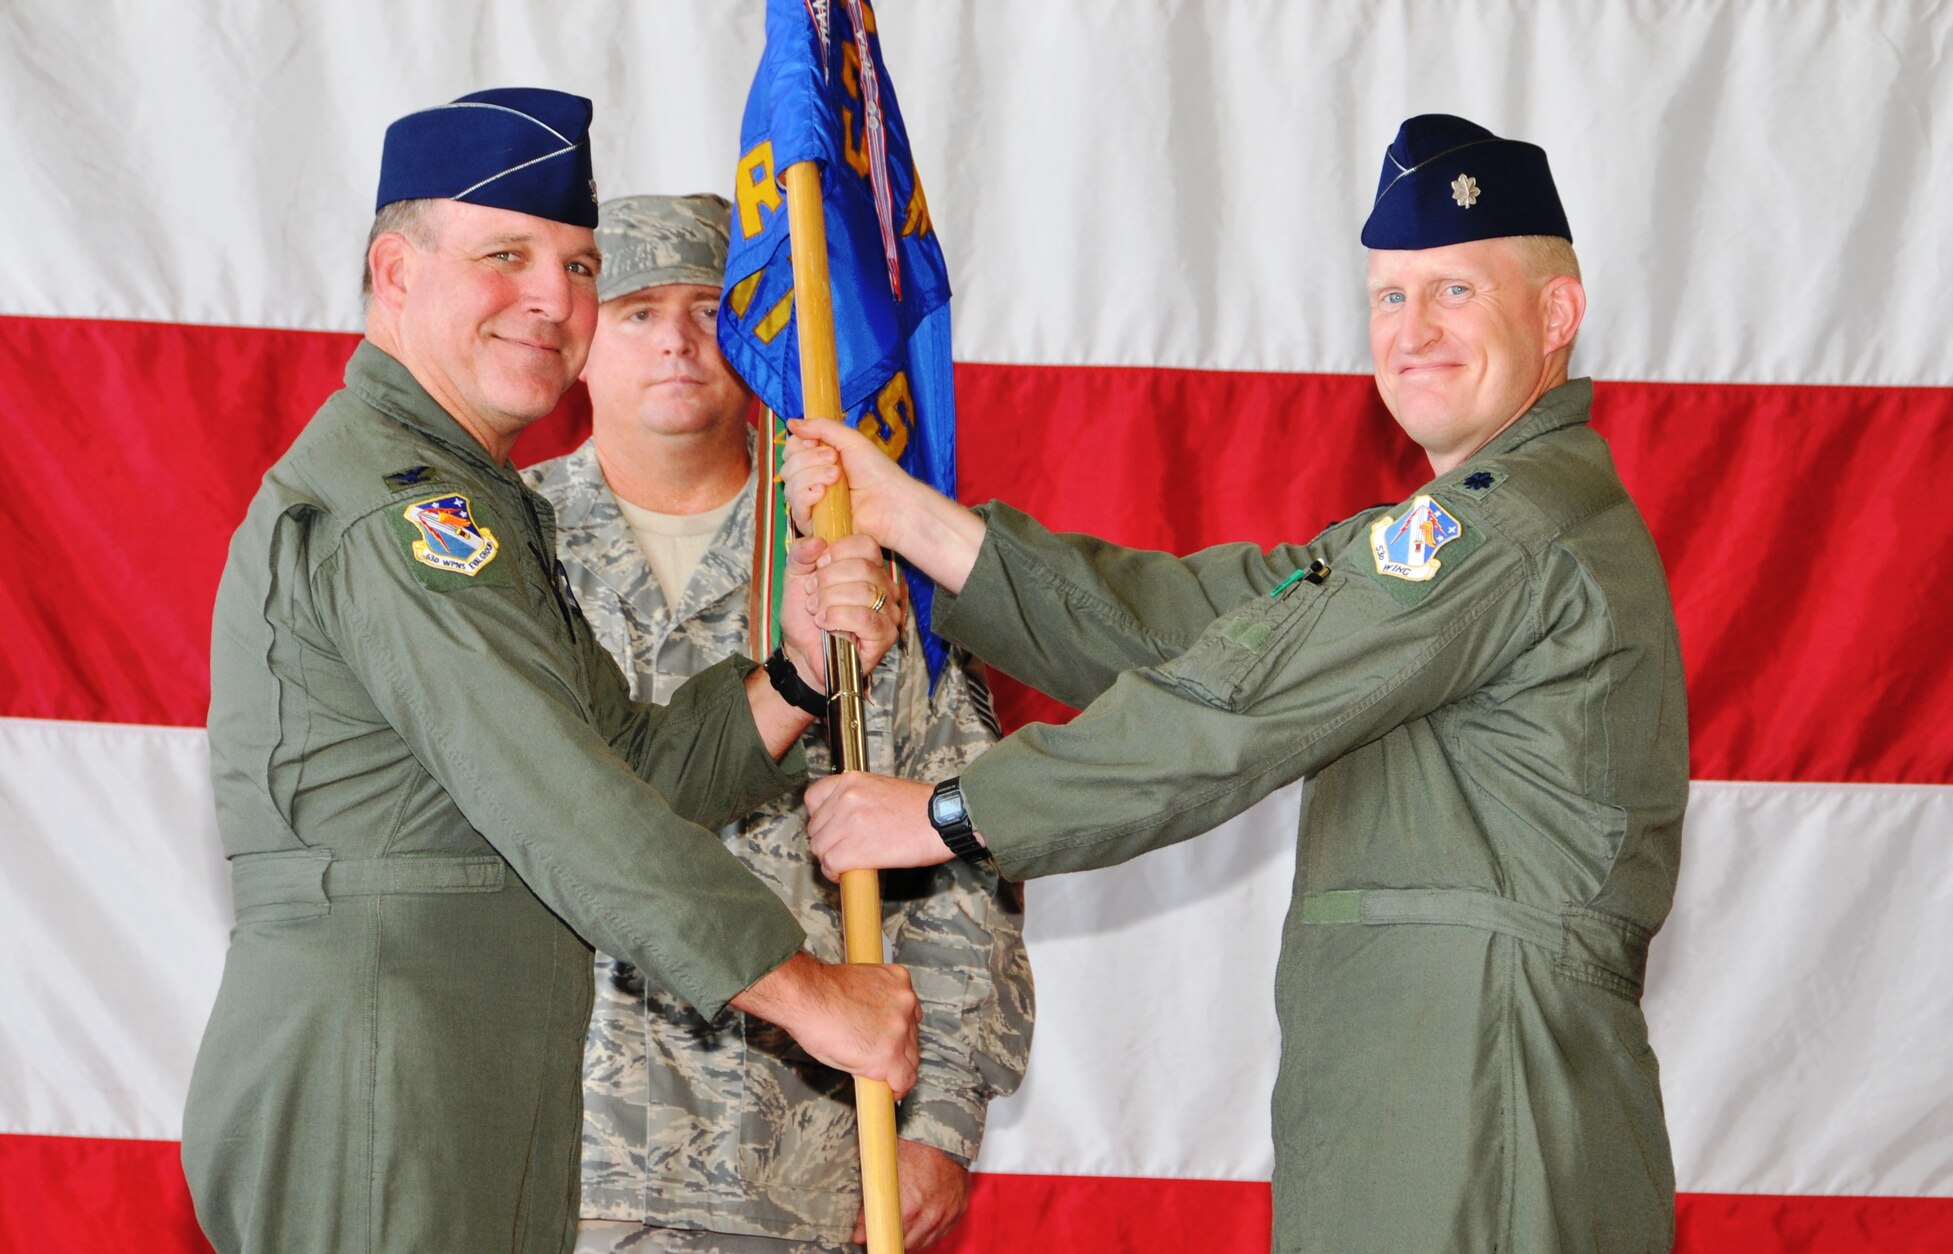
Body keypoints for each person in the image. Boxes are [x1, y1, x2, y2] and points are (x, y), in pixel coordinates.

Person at [787, 114, 1688, 1253]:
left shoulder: (1503, 532)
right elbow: (1194, 632)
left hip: (1475, 1080)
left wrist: (948, 816)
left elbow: (1236, 710)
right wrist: (905, 517)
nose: (1411, 331)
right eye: (1387, 297)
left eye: (1454, 291)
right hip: (1434, 1068)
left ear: (1555, 315)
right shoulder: (1456, 531)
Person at [183, 89, 920, 1254]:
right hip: (385, 1075)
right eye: (505, 257)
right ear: (394, 273)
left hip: (464, 1072)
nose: (553, 302)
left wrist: (792, 679)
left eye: (579, 268)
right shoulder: (404, 513)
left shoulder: (476, 498)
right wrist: (805, 993)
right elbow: (557, 802)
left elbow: (620, 765)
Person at [523, 193, 1032, 1254]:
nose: (676, 340)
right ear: (576, 343)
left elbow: (959, 842)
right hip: (538, 1156)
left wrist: (937, 1117)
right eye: (634, 311)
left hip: (792, 1158)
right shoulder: (501, 555)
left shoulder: (856, 562)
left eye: (711, 307)